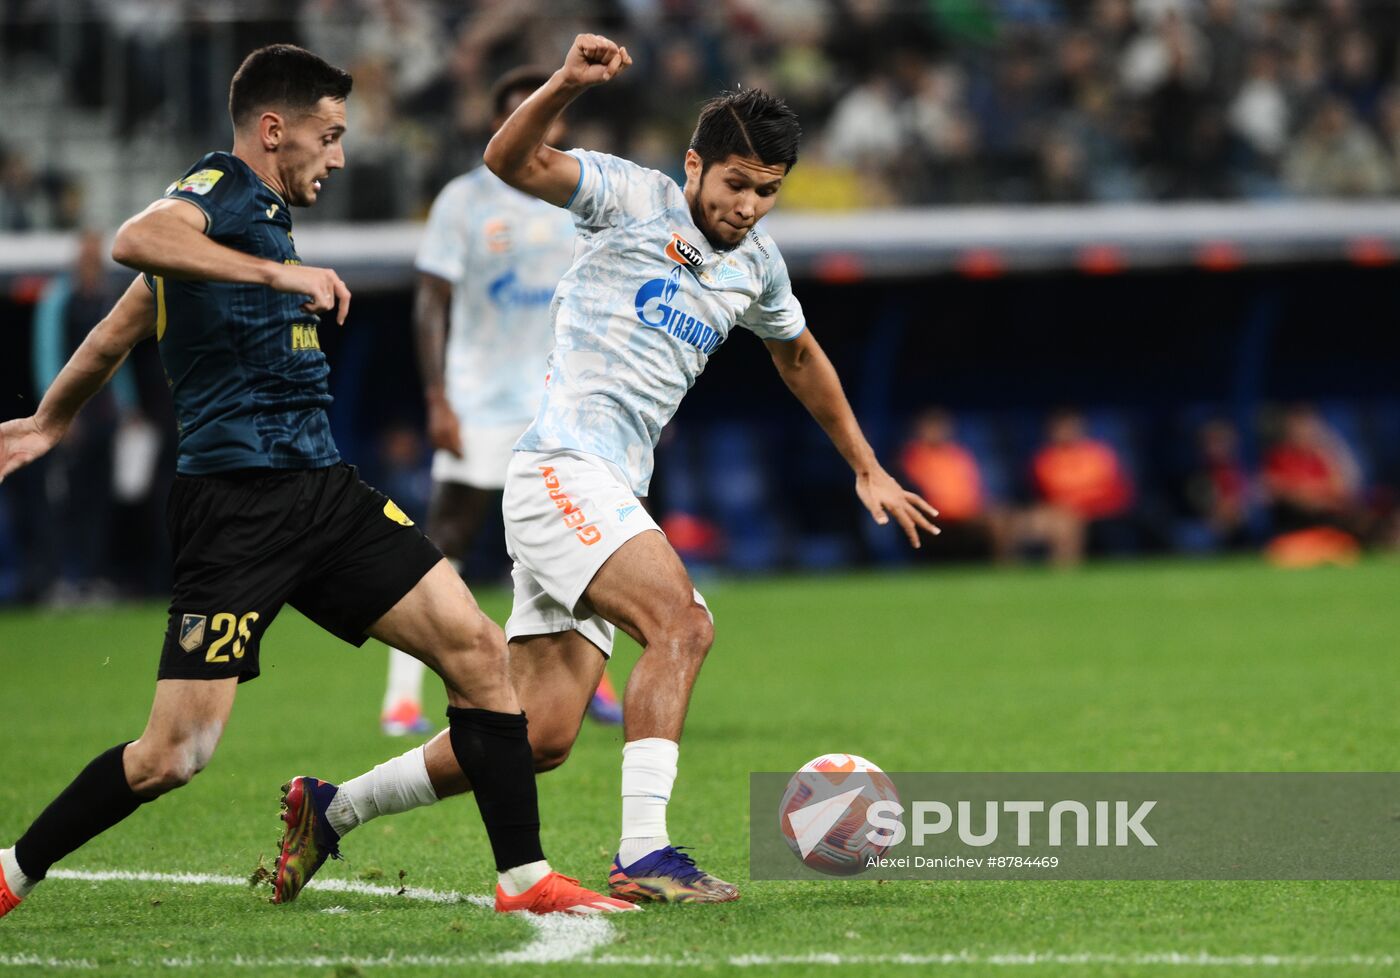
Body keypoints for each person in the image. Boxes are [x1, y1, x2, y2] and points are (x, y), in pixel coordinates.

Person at [280, 33, 939, 907]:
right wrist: (564, 82)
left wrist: (866, 465)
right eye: (735, 184)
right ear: (696, 164)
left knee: (540, 734)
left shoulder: (758, 267)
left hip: (605, 488)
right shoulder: (633, 196)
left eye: (767, 193)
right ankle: (645, 850)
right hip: (563, 470)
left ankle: (331, 809)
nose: (747, 207)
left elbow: (802, 356)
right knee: (684, 624)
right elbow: (509, 158)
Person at [0, 44, 631, 920]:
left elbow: (123, 325)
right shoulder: (218, 192)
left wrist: (48, 420)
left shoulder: (251, 221)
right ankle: (11, 871)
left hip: (325, 494)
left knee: (479, 652)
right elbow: (133, 241)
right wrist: (277, 272)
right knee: (173, 756)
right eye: (327, 136)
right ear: (272, 130)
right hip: (234, 511)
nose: (337, 156)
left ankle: (523, 880)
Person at [381, 67, 621, 737]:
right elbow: (431, 300)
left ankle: (589, 680)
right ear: (498, 128)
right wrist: (437, 396)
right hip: (479, 397)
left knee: (583, 533)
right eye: (521, 117)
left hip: (560, 397)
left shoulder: (580, 195)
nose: (537, 130)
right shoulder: (463, 201)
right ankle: (403, 694)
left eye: (548, 118)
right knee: (448, 537)